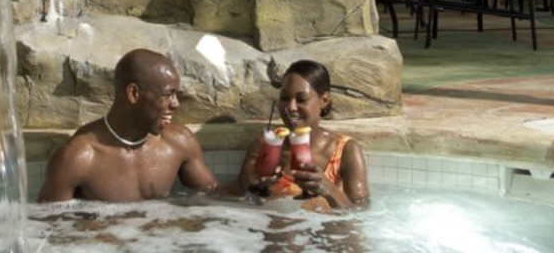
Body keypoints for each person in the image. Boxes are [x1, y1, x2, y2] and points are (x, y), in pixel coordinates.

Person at [37, 49, 218, 202]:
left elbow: (214, 201)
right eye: (168, 94)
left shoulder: (180, 142)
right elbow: (50, 230)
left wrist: (242, 184)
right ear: (133, 93)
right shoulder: (79, 158)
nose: (176, 104)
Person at [237, 60, 370, 210]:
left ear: (324, 100)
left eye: (301, 100)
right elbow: (241, 200)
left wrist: (328, 189)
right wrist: (256, 187)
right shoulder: (263, 148)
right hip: (274, 230)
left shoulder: (345, 150)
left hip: (324, 232)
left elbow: (361, 212)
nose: (290, 107)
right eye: (285, 98)